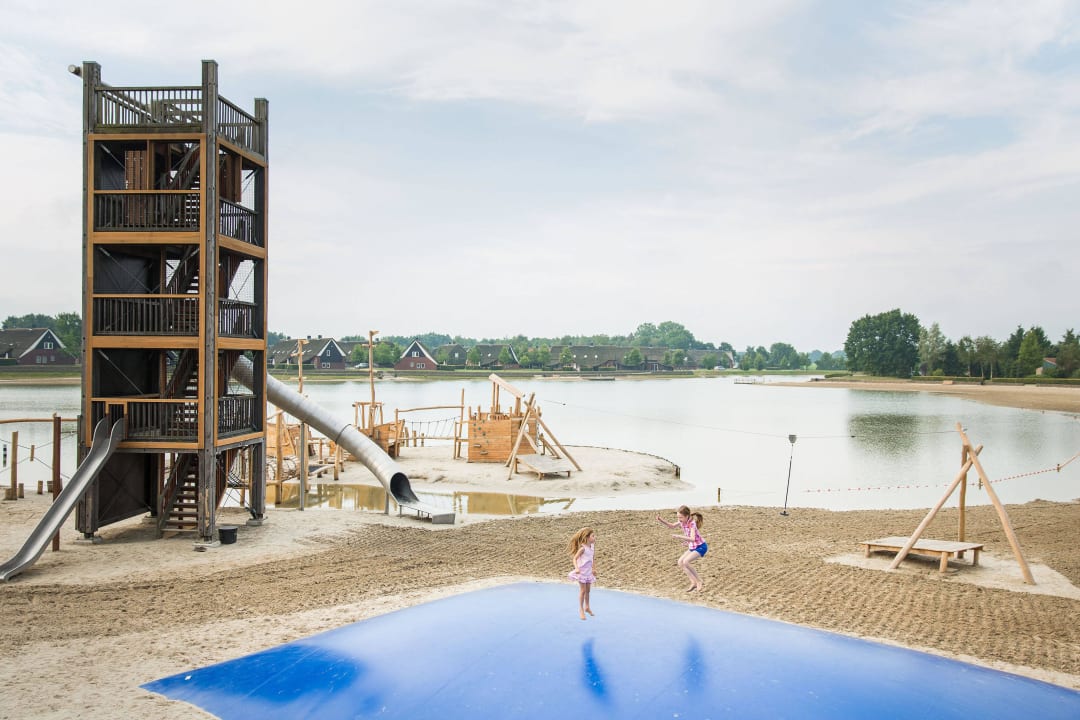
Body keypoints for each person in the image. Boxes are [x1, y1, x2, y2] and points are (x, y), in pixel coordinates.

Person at [656, 506, 707, 592]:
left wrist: (680, 537)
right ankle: (693, 582)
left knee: (686, 561)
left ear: (687, 516)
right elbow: (671, 526)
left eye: (681, 517)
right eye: (678, 517)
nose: (679, 519)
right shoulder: (682, 522)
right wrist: (661, 520)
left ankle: (699, 581)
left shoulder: (692, 524)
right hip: (693, 547)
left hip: (701, 546)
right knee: (680, 562)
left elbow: (693, 539)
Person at [568, 527, 597, 620]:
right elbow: (574, 558)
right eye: (593, 536)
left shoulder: (592, 547)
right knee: (583, 591)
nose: (595, 537)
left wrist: (594, 569)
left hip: (589, 573)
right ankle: (581, 609)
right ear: (587, 537)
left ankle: (587, 607)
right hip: (582, 573)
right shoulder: (582, 549)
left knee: (588, 591)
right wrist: (576, 568)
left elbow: (592, 558)